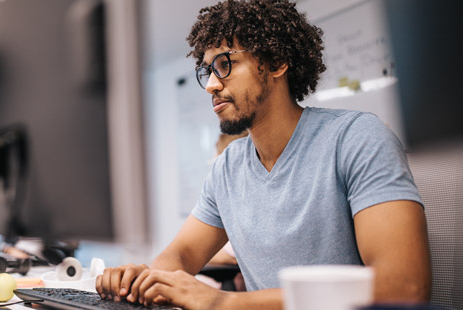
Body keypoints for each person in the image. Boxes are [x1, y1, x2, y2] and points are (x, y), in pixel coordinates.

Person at [96, 0, 431, 309]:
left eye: (225, 64)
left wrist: (223, 303)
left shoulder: (356, 138)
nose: (212, 84)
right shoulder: (227, 167)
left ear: (277, 63)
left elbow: (403, 287)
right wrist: (140, 280)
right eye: (207, 70)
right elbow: (181, 255)